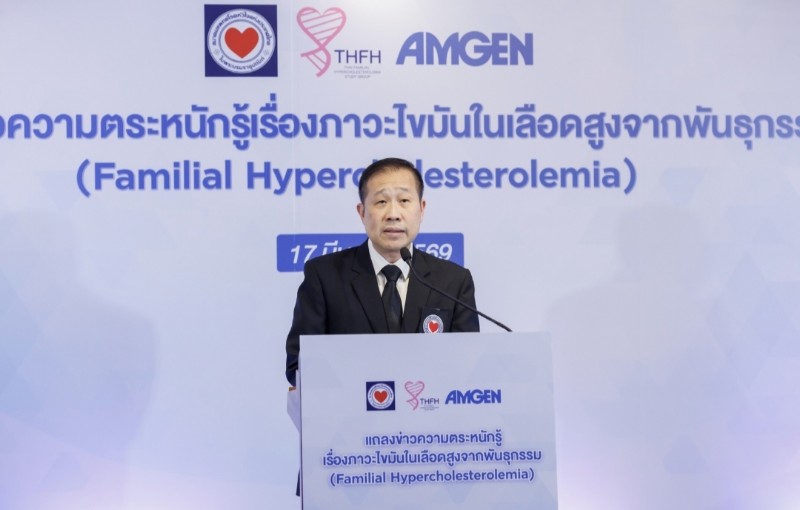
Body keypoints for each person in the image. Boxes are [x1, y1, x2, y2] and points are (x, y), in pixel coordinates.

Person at [284, 157, 480, 387]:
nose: (393, 214)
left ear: (421, 209)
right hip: (351, 407)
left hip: (427, 407)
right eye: (381, 202)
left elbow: (467, 367)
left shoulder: (453, 282)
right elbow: (299, 365)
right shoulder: (324, 276)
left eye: (404, 200)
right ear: (362, 212)